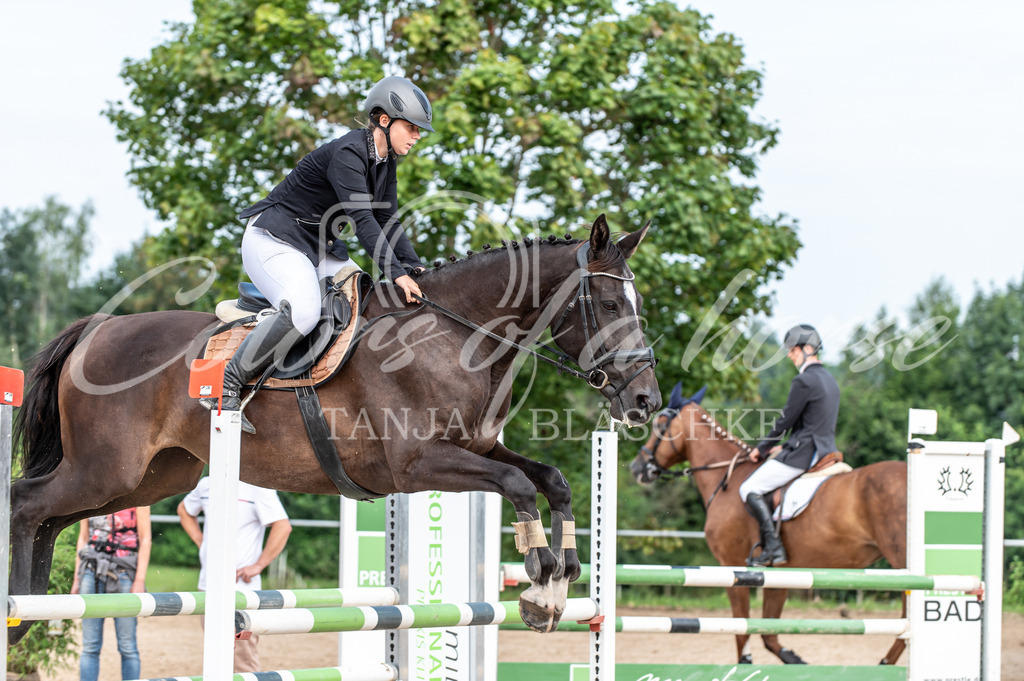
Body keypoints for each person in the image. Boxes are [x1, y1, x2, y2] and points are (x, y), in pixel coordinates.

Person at [200, 75, 434, 434]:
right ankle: (227, 384)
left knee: (365, 292)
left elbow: (388, 218)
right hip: (274, 239)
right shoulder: (348, 153)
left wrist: (413, 266)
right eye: (412, 127)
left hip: (316, 245)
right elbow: (364, 220)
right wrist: (396, 273)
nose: (417, 136)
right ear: (384, 121)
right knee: (306, 312)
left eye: (419, 130)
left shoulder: (385, 161)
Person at [739, 324, 840, 567]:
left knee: (748, 488)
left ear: (807, 349)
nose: (789, 355)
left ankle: (773, 548)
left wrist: (761, 448)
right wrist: (783, 447)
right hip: (825, 448)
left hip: (806, 454)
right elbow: (812, 424)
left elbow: (785, 421)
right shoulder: (830, 379)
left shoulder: (804, 380)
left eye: (793, 350)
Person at [177, 477, 292, 673]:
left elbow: (283, 526)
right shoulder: (207, 484)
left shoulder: (257, 487)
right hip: (208, 586)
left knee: (242, 657)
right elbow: (184, 510)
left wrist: (259, 565)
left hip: (242, 590)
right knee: (215, 652)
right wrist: (201, 541)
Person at [71, 507, 152, 681]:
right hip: (90, 572)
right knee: (90, 646)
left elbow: (145, 539)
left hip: (124, 572)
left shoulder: (139, 495)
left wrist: (140, 580)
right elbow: (83, 538)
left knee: (127, 646)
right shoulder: (89, 492)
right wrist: (77, 579)